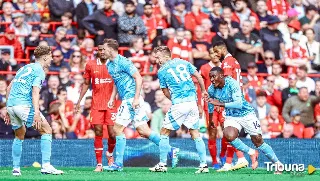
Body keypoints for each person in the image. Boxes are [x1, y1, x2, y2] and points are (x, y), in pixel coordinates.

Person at [102, 39, 177, 171]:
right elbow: (116, 81)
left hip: (131, 99)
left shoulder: (123, 61)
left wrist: (136, 98)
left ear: (111, 50)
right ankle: (171, 150)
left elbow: (138, 77)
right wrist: (112, 97)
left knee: (117, 129)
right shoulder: (109, 64)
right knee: (144, 131)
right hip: (129, 99)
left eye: (104, 49)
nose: (102, 52)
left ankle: (118, 164)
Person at [207, 66, 282, 171]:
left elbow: (238, 104)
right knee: (228, 135)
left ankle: (278, 163)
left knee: (258, 141)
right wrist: (210, 119)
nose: (212, 80)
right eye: (210, 77)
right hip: (231, 116)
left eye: (214, 77)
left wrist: (219, 103)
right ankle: (251, 152)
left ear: (221, 75)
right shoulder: (211, 89)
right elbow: (210, 103)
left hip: (246, 114)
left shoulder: (232, 83)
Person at [4, 45, 63, 176]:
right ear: (46, 56)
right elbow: (35, 91)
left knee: (20, 134)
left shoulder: (24, 68)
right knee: (47, 130)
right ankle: (46, 165)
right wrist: (36, 112)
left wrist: (8, 109)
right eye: (51, 56)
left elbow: (9, 87)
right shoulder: (39, 71)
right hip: (23, 105)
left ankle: (16, 169)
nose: (52, 59)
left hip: (12, 105)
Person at [148, 46, 209, 173]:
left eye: (158, 57)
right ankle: (203, 165)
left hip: (179, 104)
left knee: (164, 132)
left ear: (166, 56)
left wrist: (174, 100)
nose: (157, 60)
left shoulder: (162, 71)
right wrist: (203, 91)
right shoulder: (183, 62)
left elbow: (164, 91)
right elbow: (198, 76)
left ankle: (162, 164)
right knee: (195, 133)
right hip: (192, 102)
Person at [76, 44, 118, 172]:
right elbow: (86, 84)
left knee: (112, 133)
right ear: (97, 52)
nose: (102, 52)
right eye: (100, 50)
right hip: (96, 104)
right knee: (98, 132)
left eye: (104, 49)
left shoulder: (115, 64)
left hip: (111, 104)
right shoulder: (90, 65)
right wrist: (79, 101)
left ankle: (110, 154)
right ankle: (99, 164)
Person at [208, 41, 248, 172]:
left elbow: (227, 83)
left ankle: (242, 158)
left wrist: (221, 102)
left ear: (221, 50)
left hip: (231, 101)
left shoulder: (226, 63)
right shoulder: (235, 61)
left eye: (216, 51)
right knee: (229, 132)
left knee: (229, 132)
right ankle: (228, 163)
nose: (215, 54)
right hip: (239, 100)